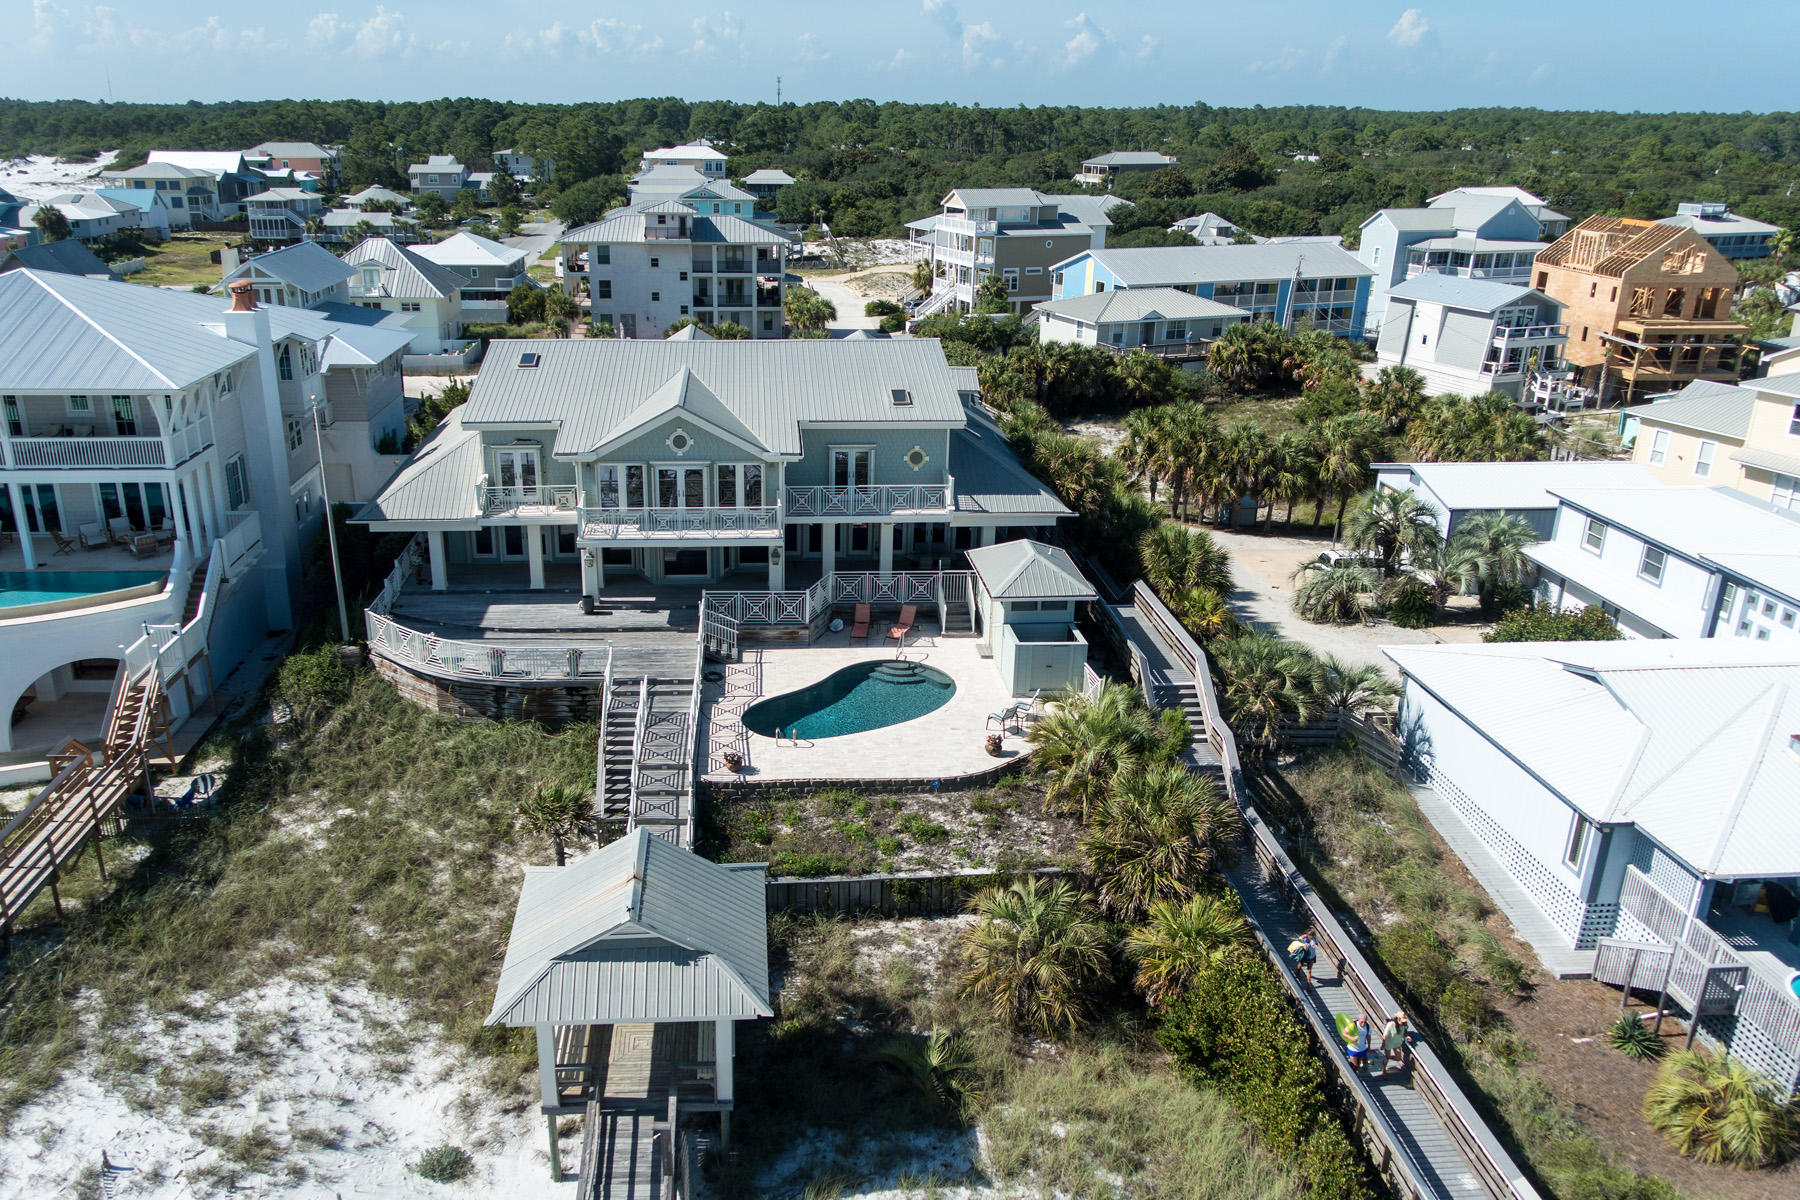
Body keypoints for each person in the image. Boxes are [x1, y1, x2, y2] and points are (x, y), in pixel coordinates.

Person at [1380, 1011, 1409, 1077]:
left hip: (1397, 1043)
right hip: (1389, 1043)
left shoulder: (1404, 1025)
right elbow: (1385, 1036)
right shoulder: (1391, 1024)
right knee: (1387, 1058)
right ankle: (1384, 1071)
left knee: (1398, 1058)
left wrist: (1407, 1037)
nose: (1403, 1022)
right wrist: (1383, 1044)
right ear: (1398, 1018)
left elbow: (1405, 1032)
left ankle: (1385, 1058)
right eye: (1402, 1020)